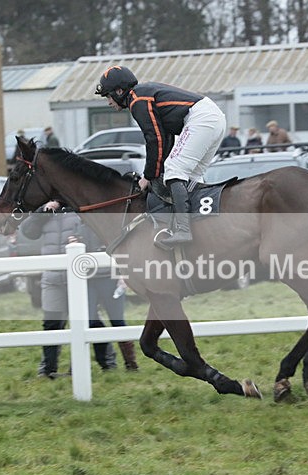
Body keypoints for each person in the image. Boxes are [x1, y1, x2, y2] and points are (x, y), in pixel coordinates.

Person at [95, 65, 226, 246]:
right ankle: (202, 227)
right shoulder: (141, 94)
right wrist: (156, 171)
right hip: (213, 117)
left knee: (174, 170)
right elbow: (165, 138)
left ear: (119, 91)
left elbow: (153, 139)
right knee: (191, 176)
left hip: (201, 119)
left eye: (108, 96)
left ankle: (183, 230)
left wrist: (148, 176)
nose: (108, 102)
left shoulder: (137, 99)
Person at [19, 201, 138, 374]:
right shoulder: (47, 209)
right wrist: (43, 211)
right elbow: (28, 231)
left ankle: (107, 362)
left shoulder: (79, 203)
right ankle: (49, 368)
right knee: (52, 322)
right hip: (54, 277)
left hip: (82, 276)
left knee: (90, 321)